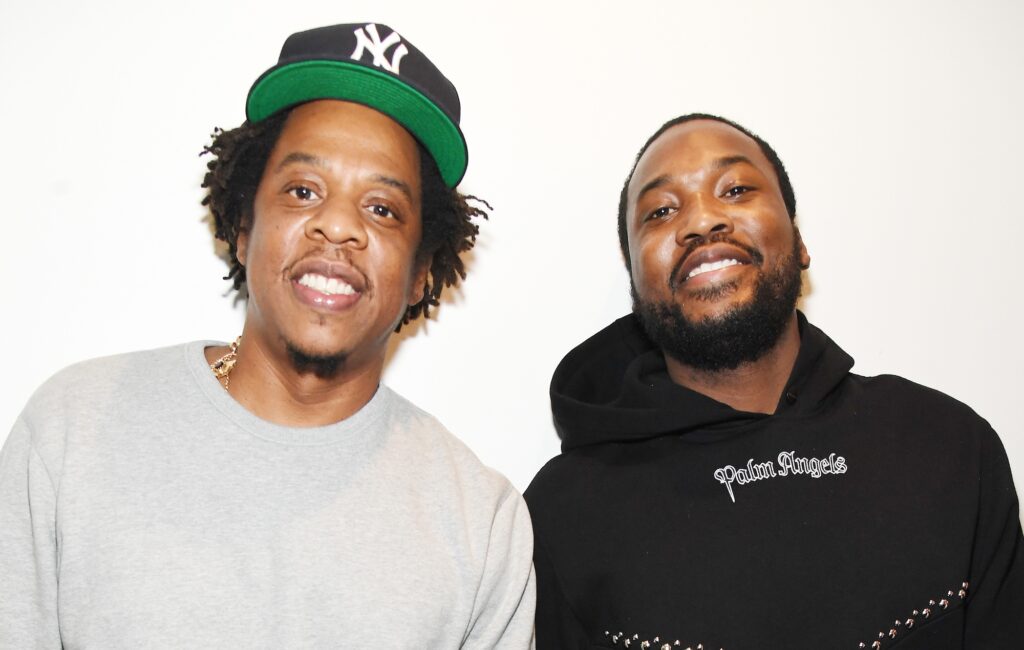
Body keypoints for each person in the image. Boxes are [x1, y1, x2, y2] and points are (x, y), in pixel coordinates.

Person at [0, 23, 534, 648]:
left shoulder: (480, 523)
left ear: (421, 271)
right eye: (303, 191)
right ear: (243, 226)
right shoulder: (73, 430)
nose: (337, 226)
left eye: (382, 208)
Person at [524, 113, 1023, 649]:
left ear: (799, 240)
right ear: (635, 281)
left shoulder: (948, 446)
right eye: (661, 211)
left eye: (736, 189)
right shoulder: (560, 518)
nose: (702, 221)